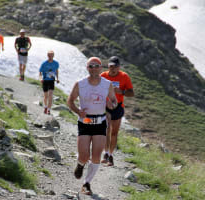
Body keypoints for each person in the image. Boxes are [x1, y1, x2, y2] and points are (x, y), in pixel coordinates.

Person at [67, 57, 117, 195]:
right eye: (91, 66)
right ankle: (80, 164)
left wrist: (111, 105)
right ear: (87, 68)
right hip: (86, 122)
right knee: (84, 155)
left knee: (96, 156)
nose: (94, 68)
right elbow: (70, 101)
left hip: (100, 122)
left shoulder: (107, 84)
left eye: (97, 66)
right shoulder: (80, 84)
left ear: (101, 68)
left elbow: (114, 101)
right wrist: (78, 111)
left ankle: (86, 183)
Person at [101, 56, 134, 166]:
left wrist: (122, 91)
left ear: (119, 67)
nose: (112, 69)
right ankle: (105, 154)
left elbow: (131, 93)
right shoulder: (103, 76)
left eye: (115, 67)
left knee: (114, 133)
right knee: (106, 129)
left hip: (118, 107)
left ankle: (111, 155)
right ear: (108, 66)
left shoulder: (124, 77)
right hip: (106, 106)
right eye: (110, 66)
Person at [39, 50, 60, 115]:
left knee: (51, 95)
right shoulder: (44, 63)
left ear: (53, 56)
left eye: (51, 55)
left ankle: (49, 109)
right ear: (47, 56)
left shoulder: (56, 63)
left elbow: (56, 71)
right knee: (46, 96)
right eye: (49, 55)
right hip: (45, 80)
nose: (50, 56)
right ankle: (45, 107)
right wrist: (40, 79)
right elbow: (40, 72)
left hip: (51, 81)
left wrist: (57, 78)